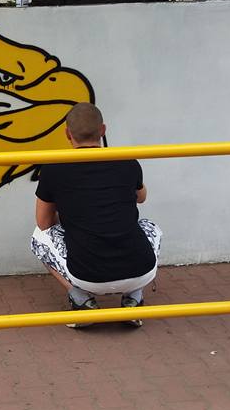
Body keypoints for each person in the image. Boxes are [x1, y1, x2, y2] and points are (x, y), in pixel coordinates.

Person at [30, 102, 162, 329]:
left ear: (67, 134)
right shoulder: (127, 161)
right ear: (103, 130)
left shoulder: (54, 168)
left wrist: (73, 218)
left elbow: (43, 223)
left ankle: (82, 301)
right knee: (149, 226)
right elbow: (141, 197)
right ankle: (133, 299)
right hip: (142, 270)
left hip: (87, 275)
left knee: (37, 238)